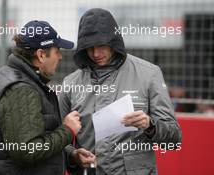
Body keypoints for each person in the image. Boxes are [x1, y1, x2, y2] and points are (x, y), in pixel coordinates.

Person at [58, 8, 182, 175]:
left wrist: (150, 125)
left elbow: (174, 138)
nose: (95, 53)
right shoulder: (71, 83)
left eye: (101, 46)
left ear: (113, 42)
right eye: (89, 47)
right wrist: (72, 154)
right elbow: (56, 137)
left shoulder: (149, 74)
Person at [0, 20, 82, 175]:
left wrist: (70, 155)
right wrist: (68, 130)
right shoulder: (21, 89)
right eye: (57, 51)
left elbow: (32, 138)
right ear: (41, 55)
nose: (61, 57)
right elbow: (27, 150)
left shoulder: (8, 75)